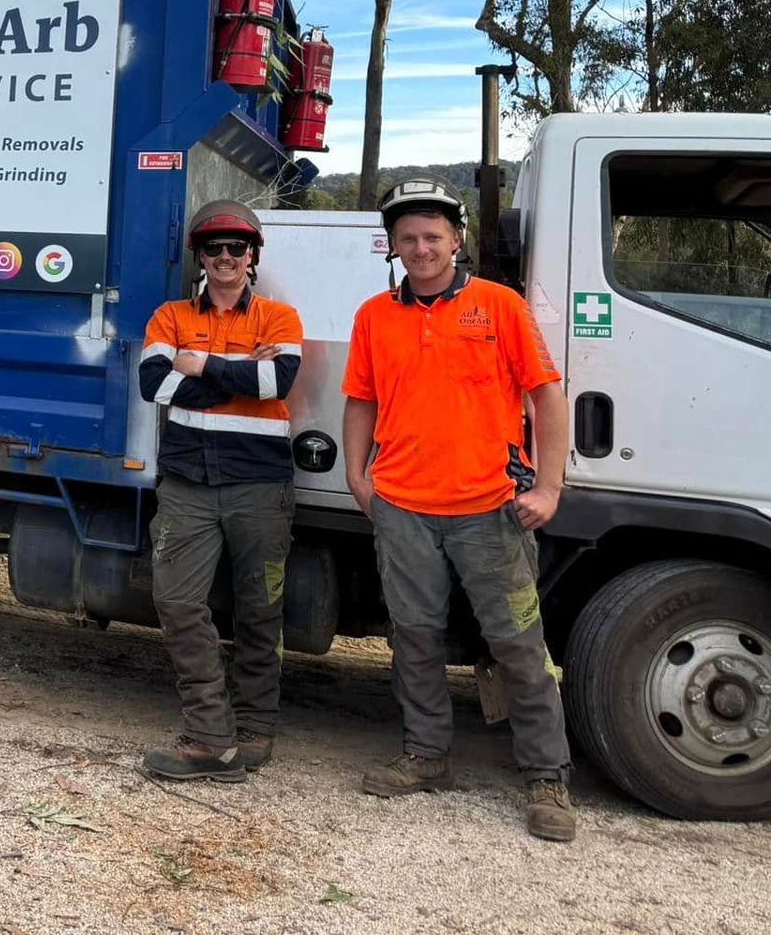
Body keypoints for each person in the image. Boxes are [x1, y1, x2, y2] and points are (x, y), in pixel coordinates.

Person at [341, 178, 574, 842]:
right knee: (413, 638)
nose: (421, 249)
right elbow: (361, 401)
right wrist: (360, 479)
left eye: (433, 237)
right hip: (403, 508)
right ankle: (426, 755)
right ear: (392, 245)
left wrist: (549, 487)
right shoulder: (372, 317)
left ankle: (546, 777)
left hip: (490, 510)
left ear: (457, 240)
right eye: (408, 238)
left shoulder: (499, 307)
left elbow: (547, 400)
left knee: (518, 645)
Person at [138, 201, 303, 782]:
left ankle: (256, 729)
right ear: (200, 258)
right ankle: (211, 735)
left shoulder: (280, 318)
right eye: (214, 248)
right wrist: (235, 375)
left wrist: (198, 363)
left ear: (253, 256)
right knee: (178, 601)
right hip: (187, 483)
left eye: (237, 247)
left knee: (260, 609)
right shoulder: (169, 315)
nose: (226, 257)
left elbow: (275, 381)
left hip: (259, 485)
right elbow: (152, 385)